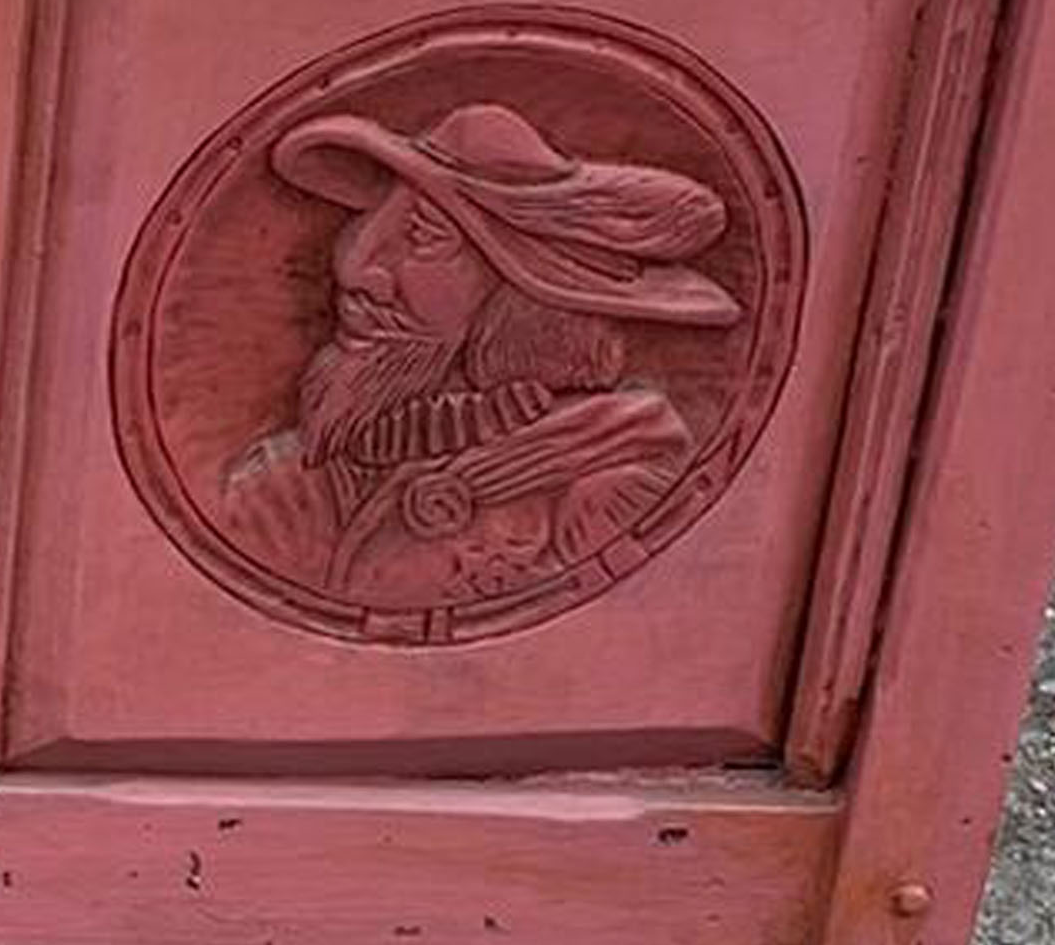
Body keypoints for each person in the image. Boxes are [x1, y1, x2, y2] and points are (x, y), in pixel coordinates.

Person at [220, 99, 740, 612]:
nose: (358, 269)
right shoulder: (285, 488)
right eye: (375, 219)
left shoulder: (609, 489)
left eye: (422, 236)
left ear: (527, 292)